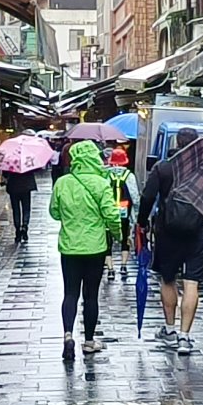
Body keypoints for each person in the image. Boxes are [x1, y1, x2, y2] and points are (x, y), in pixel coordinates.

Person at [49, 140, 122, 362]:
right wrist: (119, 235)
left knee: (70, 293)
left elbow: (54, 212)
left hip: (70, 247)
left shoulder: (62, 183)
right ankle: (89, 341)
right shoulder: (101, 183)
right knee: (91, 295)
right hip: (95, 248)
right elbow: (112, 215)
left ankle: (67, 335)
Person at [137, 127, 203, 356]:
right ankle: (185, 336)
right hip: (197, 231)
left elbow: (147, 197)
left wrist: (141, 223)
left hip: (168, 232)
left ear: (177, 142)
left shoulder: (164, 167)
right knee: (191, 284)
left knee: (168, 280)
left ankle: (169, 329)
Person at [104, 148, 140, 281]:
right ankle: (123, 266)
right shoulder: (129, 175)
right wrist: (136, 215)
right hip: (125, 211)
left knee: (108, 241)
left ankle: (110, 269)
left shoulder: (106, 175)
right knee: (125, 239)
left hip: (110, 211)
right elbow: (135, 197)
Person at [1, 130, 39, 245]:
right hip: (26, 186)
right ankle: (25, 226)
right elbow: (36, 168)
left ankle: (17, 230)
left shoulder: (9, 156)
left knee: (16, 209)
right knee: (26, 208)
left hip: (13, 186)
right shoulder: (29, 156)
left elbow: (5, 173)